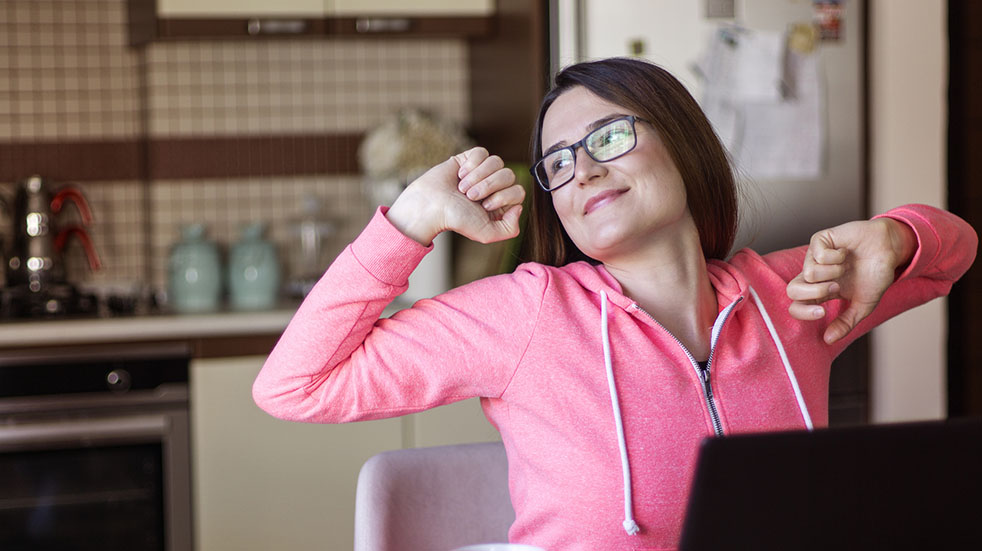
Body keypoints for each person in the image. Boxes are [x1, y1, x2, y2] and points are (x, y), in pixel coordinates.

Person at [253, 57, 977, 550]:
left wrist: (896, 234)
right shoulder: (524, 315)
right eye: (558, 162)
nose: (585, 168)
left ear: (685, 144)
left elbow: (954, 254)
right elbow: (294, 384)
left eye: (610, 135)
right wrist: (408, 221)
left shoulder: (792, 295)